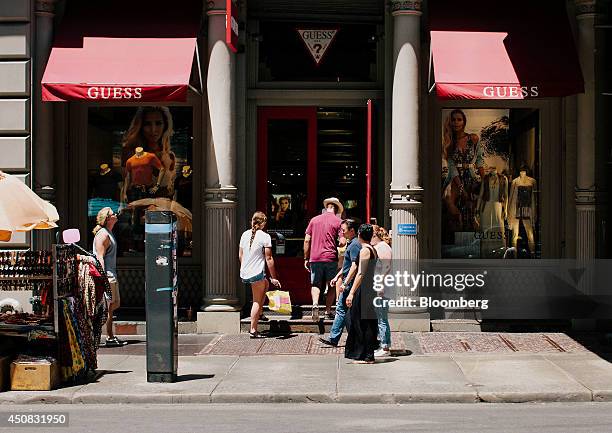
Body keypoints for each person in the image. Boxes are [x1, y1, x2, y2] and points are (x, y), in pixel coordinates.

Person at [319, 218, 361, 347]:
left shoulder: (354, 245)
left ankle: (336, 338)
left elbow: (354, 266)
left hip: (350, 283)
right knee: (344, 310)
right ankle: (337, 338)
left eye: (344, 230)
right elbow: (347, 265)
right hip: (348, 281)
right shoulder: (352, 243)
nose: (341, 233)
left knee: (342, 310)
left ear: (352, 230)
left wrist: (344, 283)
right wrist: (337, 276)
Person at [239, 211, 281, 338]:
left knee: (266, 285)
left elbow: (240, 255)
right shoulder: (265, 236)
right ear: (263, 223)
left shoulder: (244, 234)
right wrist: (274, 277)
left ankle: (261, 313)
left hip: (246, 272)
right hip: (256, 273)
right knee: (256, 301)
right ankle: (253, 329)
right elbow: (269, 259)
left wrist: (246, 268)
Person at [304, 197, 346, 321]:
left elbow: (307, 240)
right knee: (331, 284)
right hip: (331, 257)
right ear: (337, 209)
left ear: (326, 207)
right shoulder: (339, 222)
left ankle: (315, 304)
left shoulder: (314, 220)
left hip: (315, 257)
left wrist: (306, 257)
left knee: (315, 283)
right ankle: (327, 311)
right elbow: (343, 242)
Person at [442, 109, 485, 232]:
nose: (456, 123)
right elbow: (452, 167)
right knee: (448, 202)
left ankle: (472, 234)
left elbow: (479, 161)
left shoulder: (473, 138)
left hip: (472, 177)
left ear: (464, 122)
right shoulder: (448, 142)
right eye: (453, 120)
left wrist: (484, 180)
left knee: (473, 208)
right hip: (455, 179)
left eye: (459, 119)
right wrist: (461, 188)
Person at [122, 106, 177, 199]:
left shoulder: (169, 156)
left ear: (165, 125)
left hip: (163, 207)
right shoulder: (130, 155)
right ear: (140, 126)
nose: (153, 130)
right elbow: (125, 183)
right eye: (147, 124)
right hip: (138, 203)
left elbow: (171, 188)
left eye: (158, 123)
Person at [345, 224, 379, 364]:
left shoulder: (366, 250)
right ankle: (364, 354)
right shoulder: (370, 249)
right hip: (368, 288)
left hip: (365, 289)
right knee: (363, 321)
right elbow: (355, 266)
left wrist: (351, 293)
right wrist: (345, 283)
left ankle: (366, 355)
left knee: (362, 322)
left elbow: (361, 273)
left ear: (359, 234)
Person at [93, 207, 126, 347]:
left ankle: (108, 335)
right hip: (107, 275)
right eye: (113, 213)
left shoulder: (109, 233)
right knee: (108, 306)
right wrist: (103, 278)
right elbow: (100, 257)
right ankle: (108, 336)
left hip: (111, 274)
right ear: (107, 218)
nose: (116, 214)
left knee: (114, 304)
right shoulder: (103, 235)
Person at [371, 225, 392, 358]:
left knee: (382, 318)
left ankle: (385, 346)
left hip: (382, 288)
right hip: (380, 286)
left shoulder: (382, 247)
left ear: (375, 235)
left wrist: (380, 285)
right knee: (380, 317)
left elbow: (386, 266)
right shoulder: (380, 247)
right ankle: (383, 344)